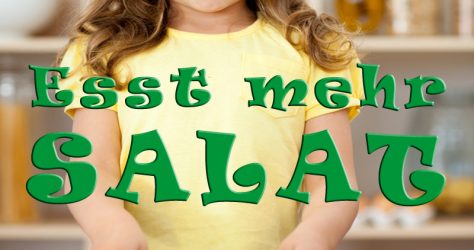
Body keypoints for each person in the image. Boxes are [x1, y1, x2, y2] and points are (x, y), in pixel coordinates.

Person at [57, 0, 365, 249]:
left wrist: (317, 234)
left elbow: (330, 183)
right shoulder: (103, 50)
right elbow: (93, 168)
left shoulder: (314, 48)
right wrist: (111, 228)